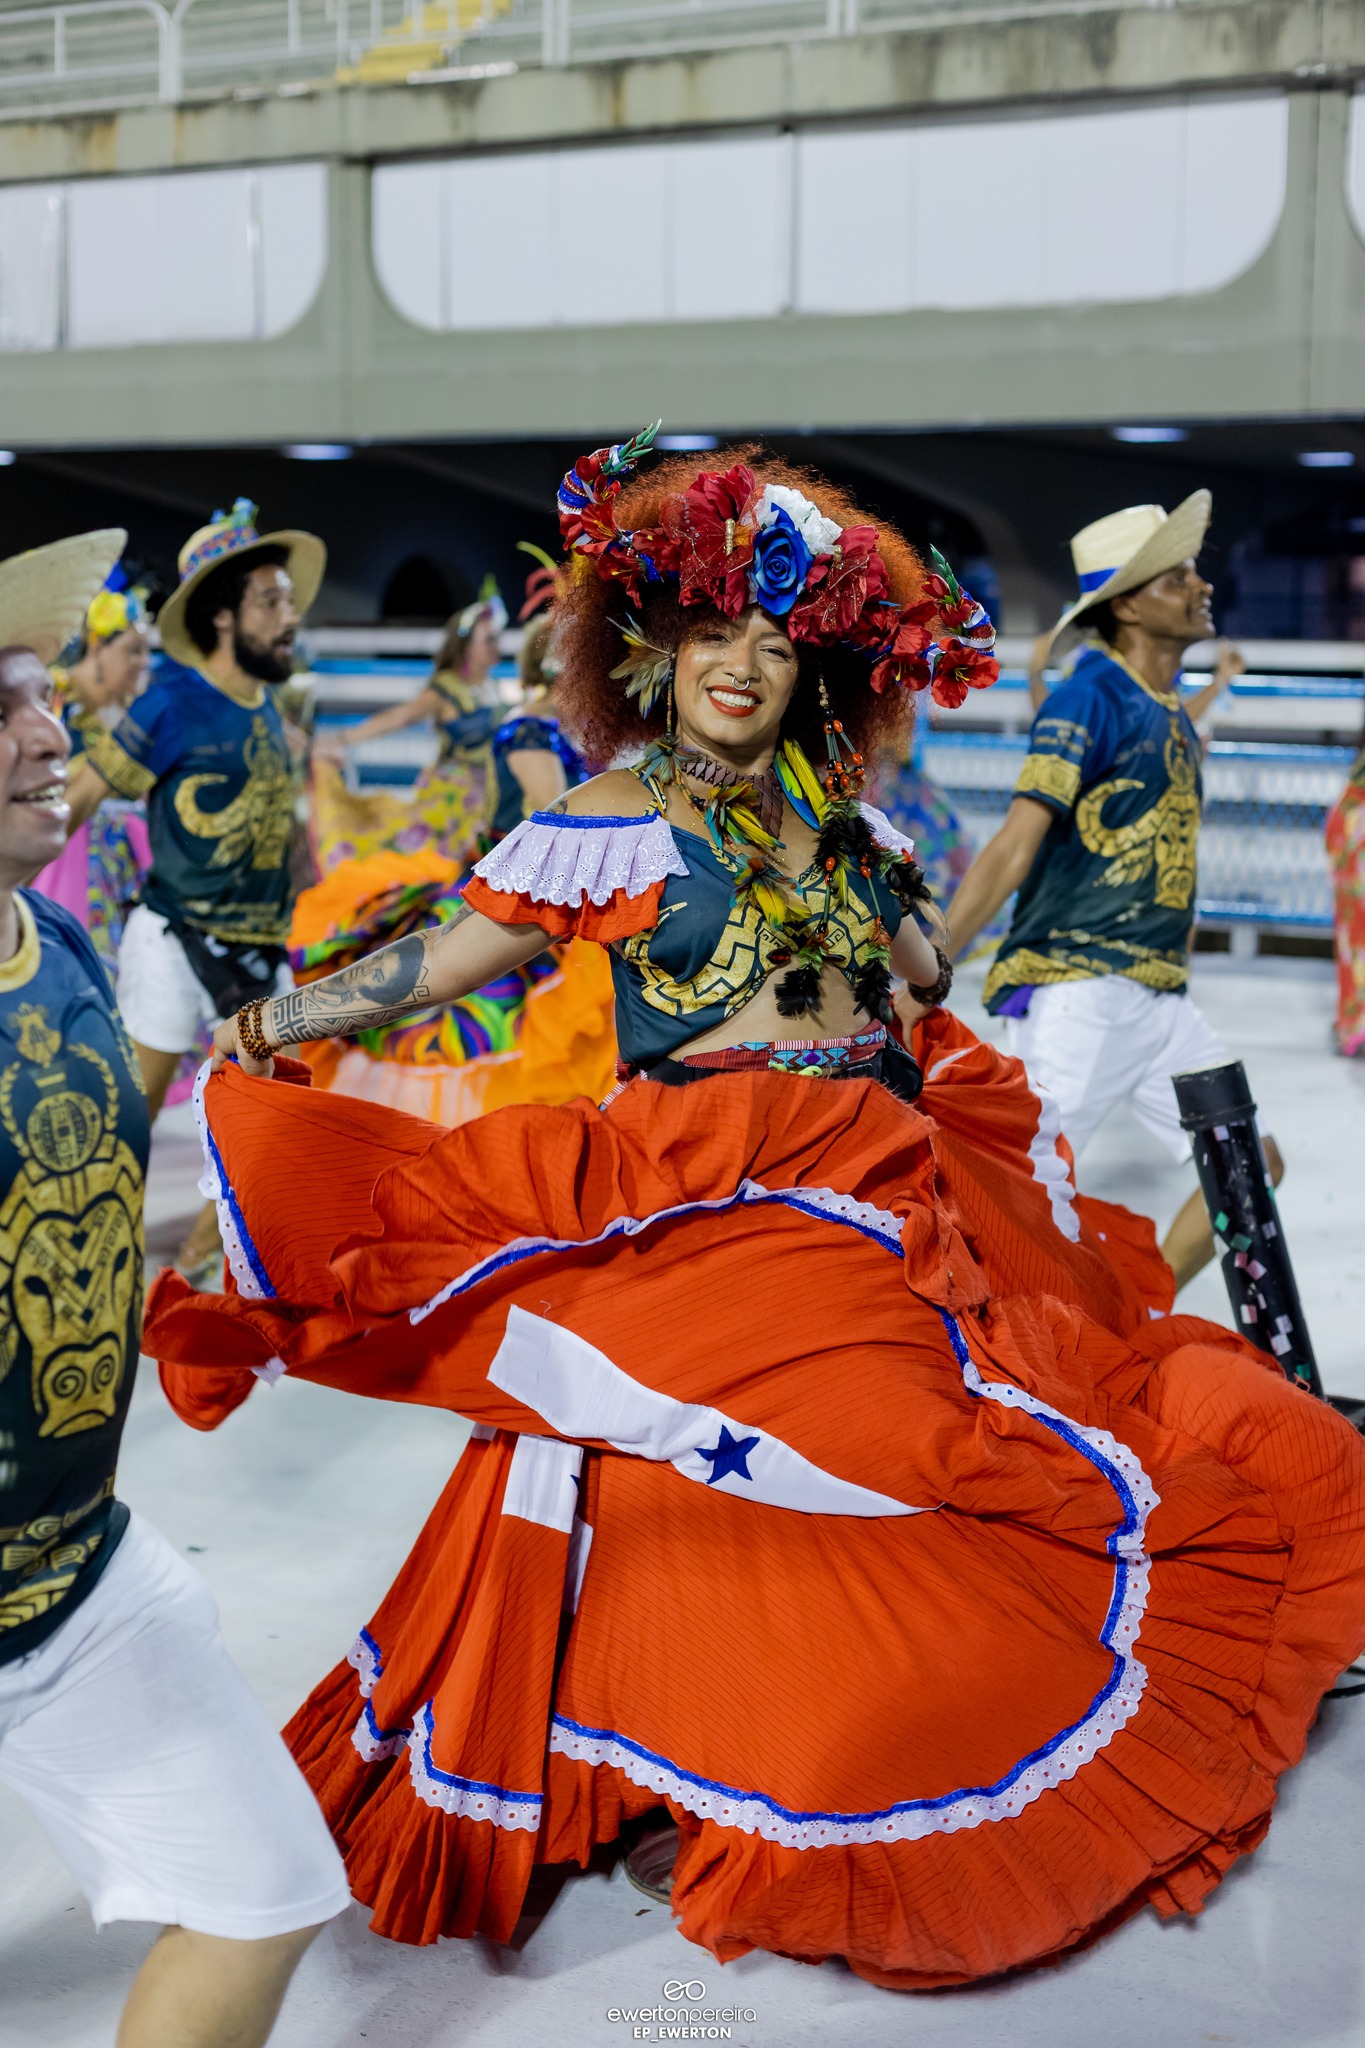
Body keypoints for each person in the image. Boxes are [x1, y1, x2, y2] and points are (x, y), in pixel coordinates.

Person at [145, 436, 1365, 1992]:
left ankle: (765, 1729)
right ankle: (729, 1754)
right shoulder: (612, 811)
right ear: (654, 651)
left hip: (880, 1177)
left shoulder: (837, 817)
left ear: (821, 677)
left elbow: (923, 983)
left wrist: (920, 978)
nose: (744, 667)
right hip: (713, 1195)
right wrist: (281, 1016)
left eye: (780, 647)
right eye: (716, 636)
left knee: (1032, 1434)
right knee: (875, 1449)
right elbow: (446, 962)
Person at [0, 534, 351, 2048]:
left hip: (72, 1578)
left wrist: (190, 1243)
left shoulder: (61, 943)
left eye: (36, 693)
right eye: (1, 702)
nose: (48, 727)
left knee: (265, 1886)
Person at [945, 494, 1270, 1290]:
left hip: (1159, 1000)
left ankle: (1127, 1318)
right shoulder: (1087, 695)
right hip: (1080, 990)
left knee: (1249, 1167)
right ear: (1126, 604)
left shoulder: (1167, 710)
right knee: (1014, 1197)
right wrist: (928, 966)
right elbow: (1015, 841)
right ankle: (955, 1355)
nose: (1201, 586)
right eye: (1177, 577)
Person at [63, 498, 324, 1281]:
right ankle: (79, 1248)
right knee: (133, 1118)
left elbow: (290, 839)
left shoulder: (273, 708)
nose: (290, 617)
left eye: (288, 599)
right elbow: (77, 794)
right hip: (174, 943)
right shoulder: (169, 704)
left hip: (260, 952)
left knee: (273, 1114)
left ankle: (203, 1262)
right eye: (271, 601)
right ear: (222, 618)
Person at [289, 558, 615, 1125]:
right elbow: (547, 808)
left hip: (506, 836)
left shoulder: (512, 703)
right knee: (485, 994)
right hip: (498, 844)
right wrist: (344, 741)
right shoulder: (528, 724)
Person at [310, 584, 509, 869]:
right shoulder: (446, 689)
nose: (497, 649)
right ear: (466, 646)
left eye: (497, 640)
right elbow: (398, 717)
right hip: (452, 805)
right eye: (489, 641)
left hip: (489, 802)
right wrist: (340, 739)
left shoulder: (493, 688)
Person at [30, 568, 151, 969]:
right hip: (59, 881)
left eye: (146, 651)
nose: (143, 663)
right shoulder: (50, 700)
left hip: (117, 890)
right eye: (133, 650)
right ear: (98, 647)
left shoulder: (122, 714)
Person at [1327, 724, 1365, 1057]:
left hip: (1350, 828)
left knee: (1354, 939)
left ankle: (1353, 1025)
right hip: (1355, 835)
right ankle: (1355, 1026)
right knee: (1355, 938)